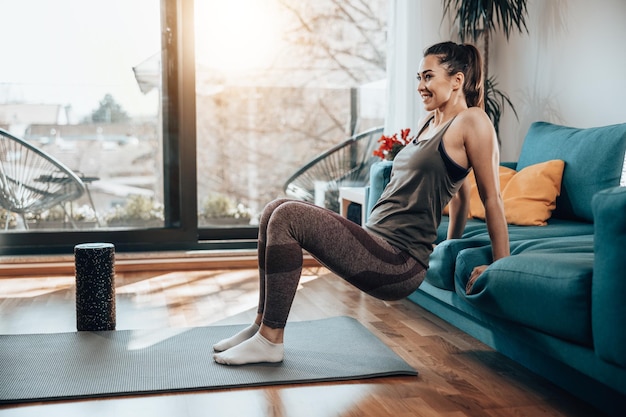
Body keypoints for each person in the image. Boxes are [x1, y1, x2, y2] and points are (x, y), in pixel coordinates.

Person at [213, 41, 510, 366]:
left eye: (428, 77)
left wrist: (500, 263)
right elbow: (460, 192)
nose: (420, 86)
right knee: (274, 208)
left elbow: (490, 197)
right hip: (376, 243)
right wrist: (450, 243)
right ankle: (260, 325)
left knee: (287, 217)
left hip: (398, 261)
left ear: (457, 80)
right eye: (418, 78)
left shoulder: (473, 121)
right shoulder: (432, 123)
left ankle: (271, 340)